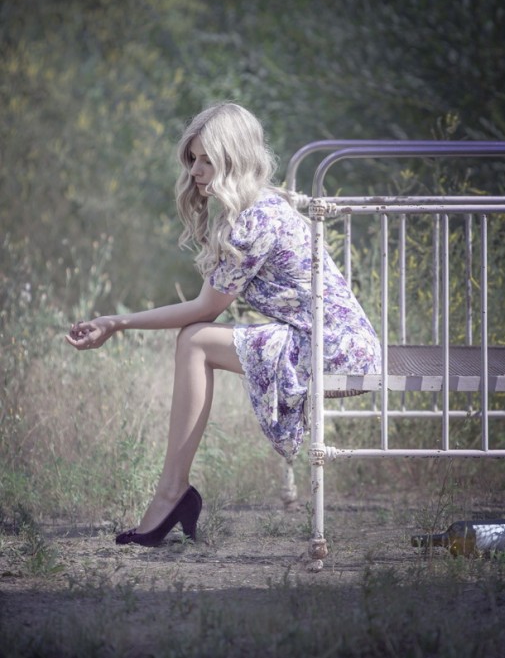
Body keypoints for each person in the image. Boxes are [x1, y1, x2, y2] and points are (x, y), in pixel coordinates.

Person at [66, 103, 381, 547]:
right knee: (194, 340)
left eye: (207, 159)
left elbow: (204, 309)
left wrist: (117, 322)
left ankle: (172, 493)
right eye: (192, 158)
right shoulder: (256, 207)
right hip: (331, 342)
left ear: (234, 159)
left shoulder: (255, 219)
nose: (195, 170)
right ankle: (173, 492)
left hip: (335, 350)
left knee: (195, 341)